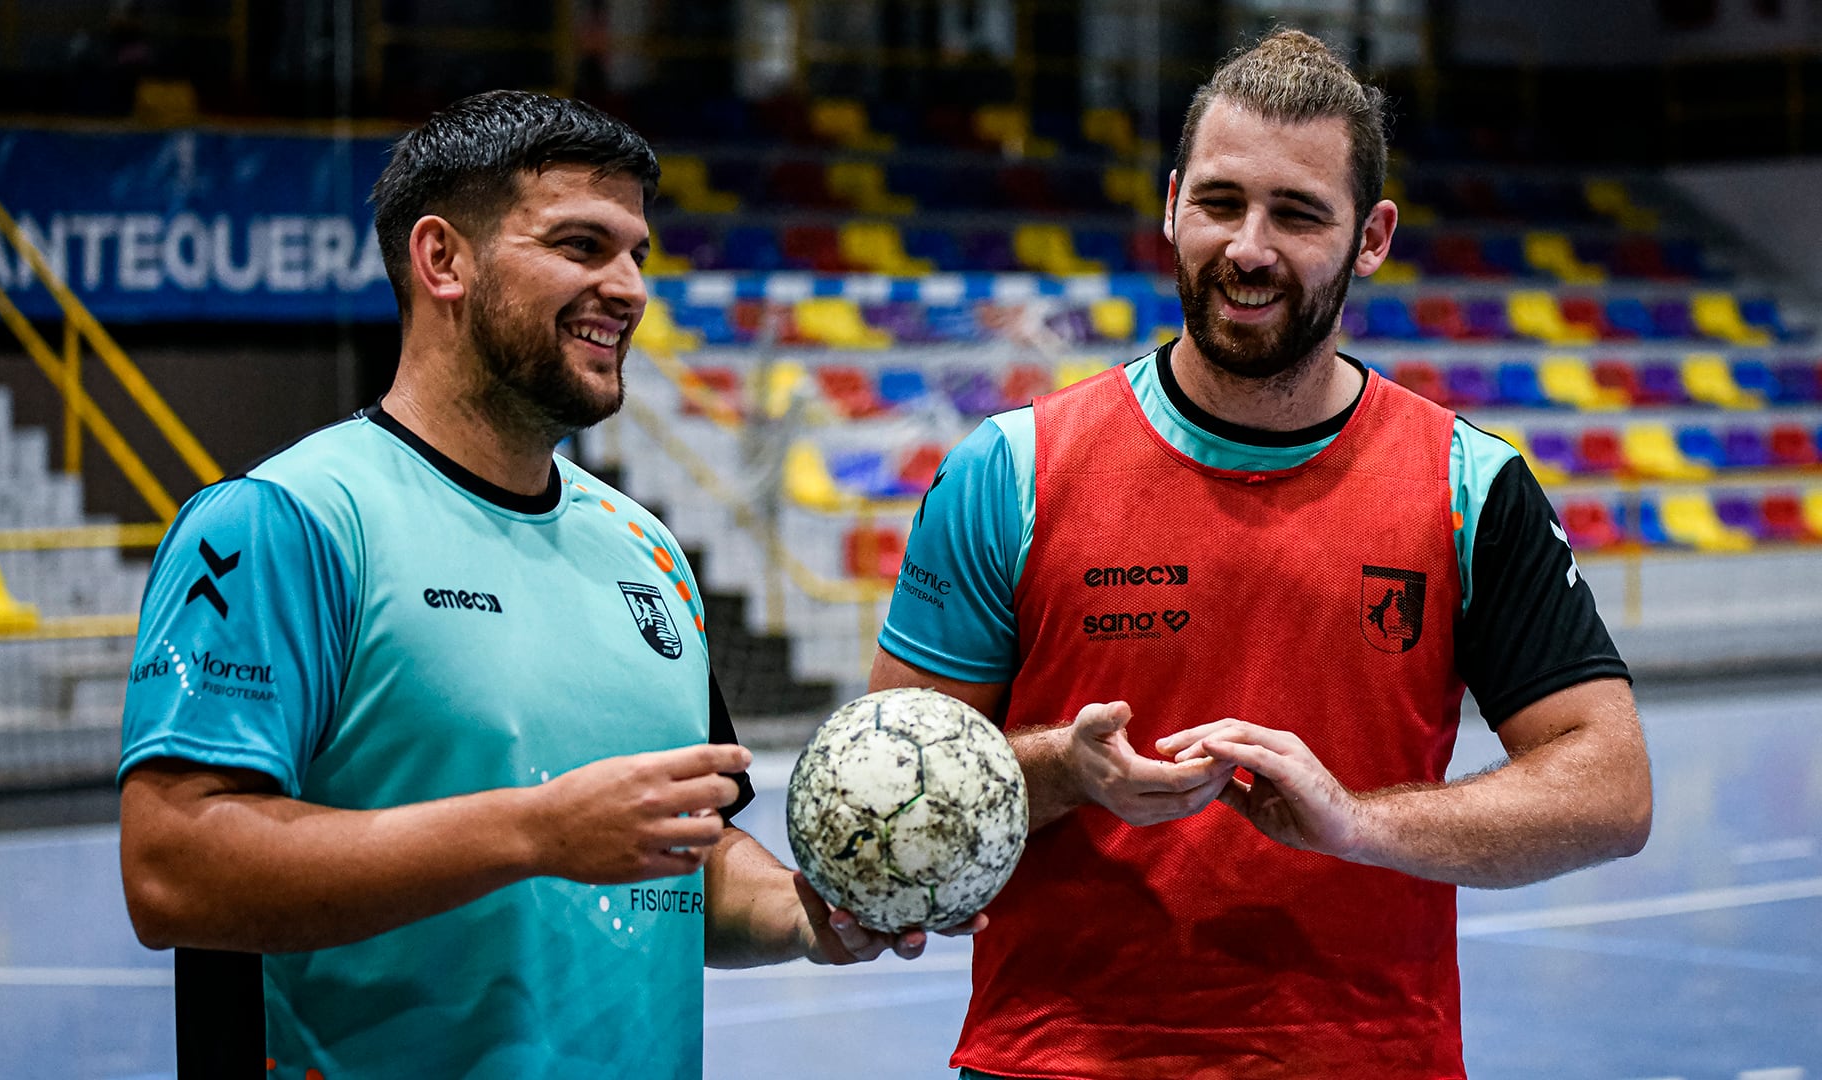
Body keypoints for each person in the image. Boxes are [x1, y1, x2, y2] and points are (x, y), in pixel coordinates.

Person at [117, 90, 974, 1079]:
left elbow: (682, 859)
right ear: (444, 260)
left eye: (637, 254)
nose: (628, 287)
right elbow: (171, 870)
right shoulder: (287, 522)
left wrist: (800, 912)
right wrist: (533, 832)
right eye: (580, 245)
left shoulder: (643, 549)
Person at [870, 29, 1653, 1080]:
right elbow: (885, 790)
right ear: (1171, 204)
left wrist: (1358, 825)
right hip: (1056, 1059)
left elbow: (1610, 788)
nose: (1248, 247)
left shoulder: (1469, 485)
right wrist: (1063, 769)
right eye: (1221, 203)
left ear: (1371, 236)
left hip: (1371, 1058)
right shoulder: (1010, 469)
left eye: (1296, 214)